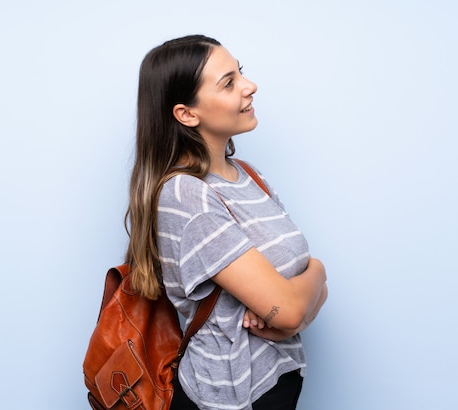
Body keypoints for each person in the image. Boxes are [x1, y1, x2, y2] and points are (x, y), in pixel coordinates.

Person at [124, 34, 328, 410]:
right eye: (228, 82)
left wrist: (307, 287)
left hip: (276, 385)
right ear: (187, 114)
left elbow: (294, 307)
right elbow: (295, 307)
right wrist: (310, 283)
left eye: (241, 73)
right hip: (228, 400)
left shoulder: (250, 176)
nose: (250, 87)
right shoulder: (187, 195)